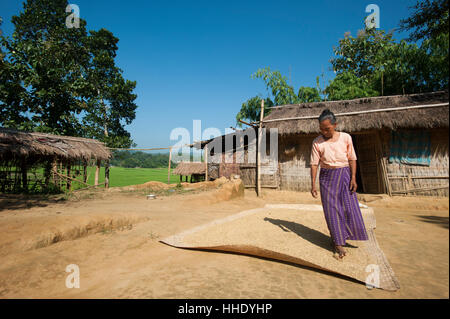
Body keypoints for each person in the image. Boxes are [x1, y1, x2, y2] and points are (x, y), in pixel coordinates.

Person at [310, 109, 368, 259]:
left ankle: (346, 236)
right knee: (331, 210)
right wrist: (313, 184)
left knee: (349, 208)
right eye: (321, 129)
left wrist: (353, 177)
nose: (324, 131)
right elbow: (314, 164)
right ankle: (338, 243)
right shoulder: (317, 142)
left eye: (327, 129)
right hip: (327, 178)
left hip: (345, 175)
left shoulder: (346, 138)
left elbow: (352, 158)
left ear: (335, 125)